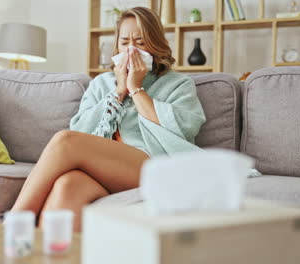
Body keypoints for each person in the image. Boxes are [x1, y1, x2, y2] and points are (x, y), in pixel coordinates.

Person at [11, 7, 206, 231]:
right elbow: (82, 130)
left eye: (140, 42)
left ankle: (13, 224)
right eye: (124, 42)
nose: (131, 49)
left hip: (152, 165)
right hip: (102, 171)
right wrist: (118, 92)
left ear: (155, 44)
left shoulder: (178, 84)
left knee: (65, 141)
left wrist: (135, 88)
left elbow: (183, 129)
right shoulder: (101, 84)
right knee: (67, 185)